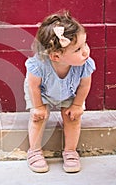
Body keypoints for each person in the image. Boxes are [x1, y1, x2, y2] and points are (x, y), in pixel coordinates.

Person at [24, 11, 96, 173]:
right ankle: (34, 151)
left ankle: (70, 151)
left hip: (69, 92)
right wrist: (38, 107)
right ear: (56, 56)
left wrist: (77, 105)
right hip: (41, 92)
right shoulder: (38, 65)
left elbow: (84, 85)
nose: (85, 51)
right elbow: (33, 86)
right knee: (39, 117)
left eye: (85, 44)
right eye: (78, 49)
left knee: (73, 117)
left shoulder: (85, 64)